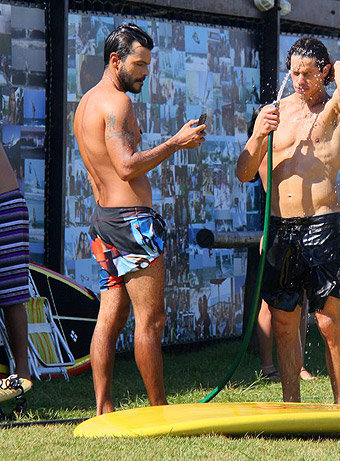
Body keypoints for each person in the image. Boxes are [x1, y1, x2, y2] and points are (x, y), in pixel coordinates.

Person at [73, 23, 206, 415]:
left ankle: (103, 408)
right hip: (130, 223)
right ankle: (158, 409)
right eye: (139, 63)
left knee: (109, 317)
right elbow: (128, 166)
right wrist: (175, 143)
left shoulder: (86, 103)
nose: (146, 72)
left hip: (103, 221)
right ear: (115, 61)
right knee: (152, 319)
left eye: (148, 63)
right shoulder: (117, 104)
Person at [236, 37, 340, 404]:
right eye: (293, 73)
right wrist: (259, 132)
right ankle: (292, 402)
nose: (299, 80)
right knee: (283, 320)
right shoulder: (273, 112)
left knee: (326, 320)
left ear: (324, 72)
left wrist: (329, 63)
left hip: (322, 223)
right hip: (280, 227)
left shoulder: (336, 109)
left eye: (307, 73)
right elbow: (244, 173)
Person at [245, 107, 316, 383]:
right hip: (275, 229)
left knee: (300, 300)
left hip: (302, 229)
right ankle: (267, 365)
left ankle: (296, 364)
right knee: (269, 303)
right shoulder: (264, 151)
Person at [0, 144, 32, 394]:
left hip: (6, 204)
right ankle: (21, 373)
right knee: (12, 297)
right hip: (9, 204)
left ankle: (23, 374)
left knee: (12, 296)